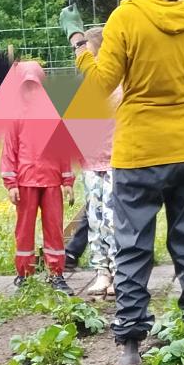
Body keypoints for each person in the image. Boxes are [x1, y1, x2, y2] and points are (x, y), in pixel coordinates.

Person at [68, 0, 184, 365]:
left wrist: (81, 47)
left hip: (139, 151)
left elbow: (101, 85)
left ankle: (131, 346)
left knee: (133, 247)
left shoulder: (125, 18)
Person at [1, 60, 73, 289]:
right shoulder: (14, 116)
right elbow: (9, 151)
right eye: (26, 87)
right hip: (25, 182)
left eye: (35, 86)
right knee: (24, 229)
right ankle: (25, 274)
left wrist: (68, 180)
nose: (31, 92)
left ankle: (56, 273)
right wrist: (10, 183)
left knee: (54, 228)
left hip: (51, 182)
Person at [76, 26, 119, 297]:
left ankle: (118, 271)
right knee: (95, 218)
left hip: (116, 161)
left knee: (114, 220)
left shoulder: (118, 85)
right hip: (90, 163)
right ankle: (101, 271)